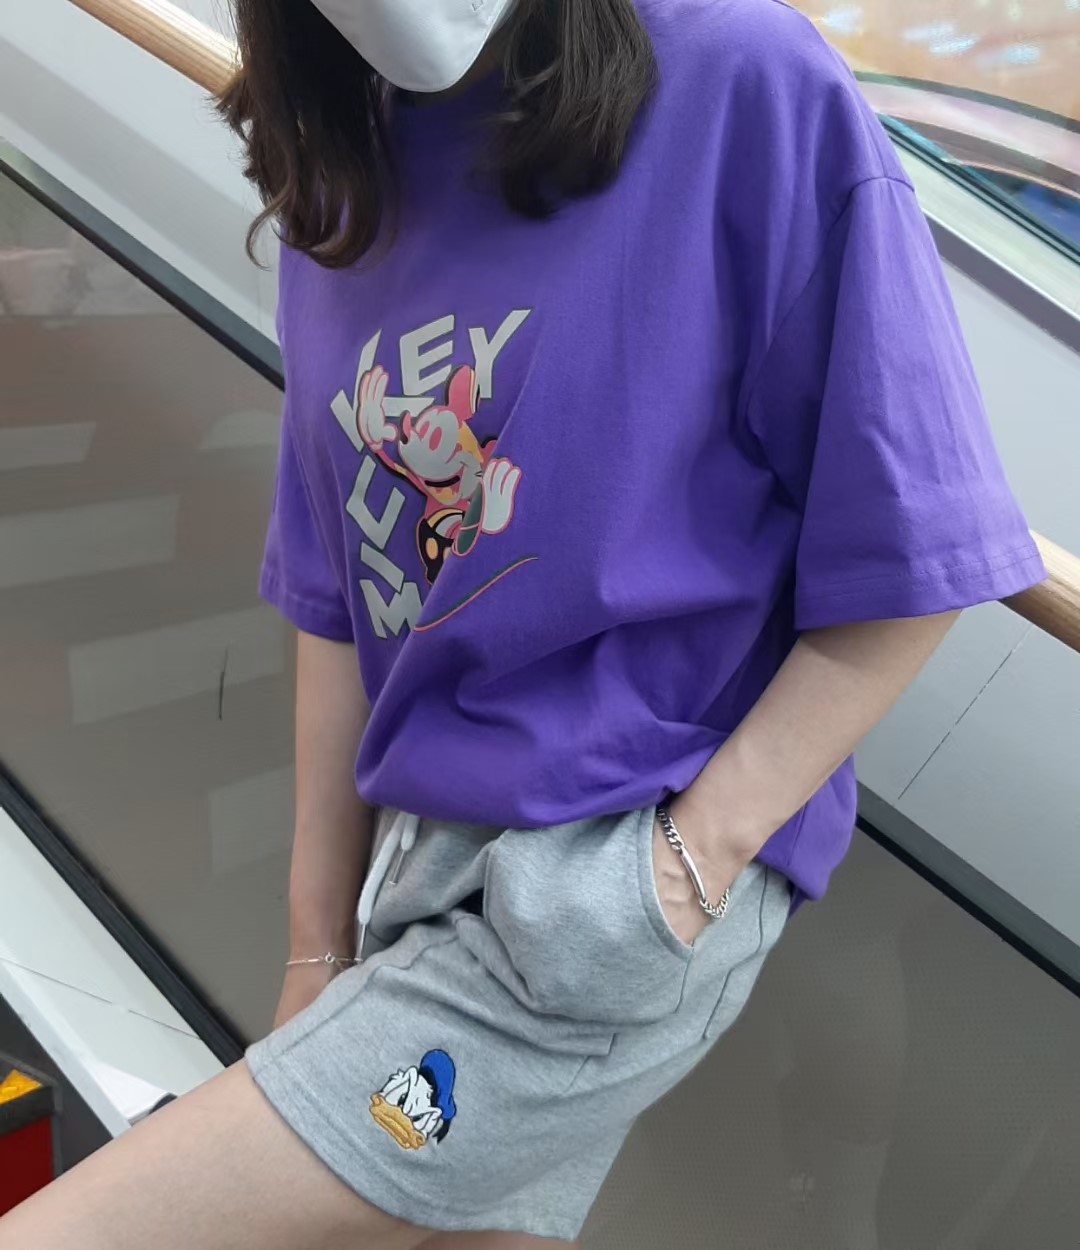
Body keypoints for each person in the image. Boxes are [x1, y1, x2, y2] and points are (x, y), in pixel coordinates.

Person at [0, 0, 1046, 1247]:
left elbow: (925, 539)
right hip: (417, 848)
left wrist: (684, 864)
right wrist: (313, 943)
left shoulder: (739, 81)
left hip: (609, 863)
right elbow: (337, 585)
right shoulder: (340, 143)